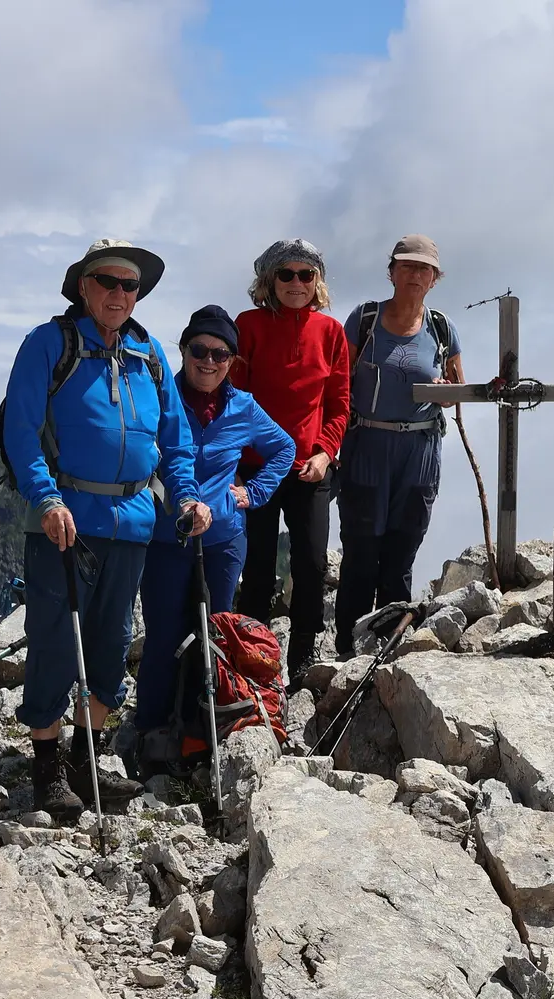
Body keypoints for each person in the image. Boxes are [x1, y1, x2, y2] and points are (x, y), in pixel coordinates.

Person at [1, 238, 211, 817]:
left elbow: (175, 437)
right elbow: (20, 429)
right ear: (84, 287)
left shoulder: (148, 353)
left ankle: (85, 763)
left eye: (131, 286)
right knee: (52, 641)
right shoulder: (50, 344)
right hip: (65, 523)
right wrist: (45, 500)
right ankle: (46, 770)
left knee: (113, 644)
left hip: (133, 522)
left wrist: (187, 497)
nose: (121, 294)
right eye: (109, 283)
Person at [133, 305, 294, 764]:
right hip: (166, 538)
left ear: (232, 361)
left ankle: (201, 726)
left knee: (215, 633)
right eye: (199, 350)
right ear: (183, 351)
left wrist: (251, 494)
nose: (209, 361)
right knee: (164, 636)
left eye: (221, 354)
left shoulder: (243, 407)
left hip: (222, 541)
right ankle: (152, 730)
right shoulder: (163, 399)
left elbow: (284, 448)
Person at [334, 234, 463, 659]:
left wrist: (447, 392)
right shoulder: (365, 320)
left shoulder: (442, 329)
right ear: (391, 272)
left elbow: (459, 389)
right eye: (406, 266)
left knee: (401, 553)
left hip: (420, 451)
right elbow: (339, 383)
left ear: (434, 279)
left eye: (423, 268)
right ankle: (347, 655)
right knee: (360, 553)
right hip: (366, 443)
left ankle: (389, 654)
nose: (414, 274)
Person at [232, 239, 350, 681]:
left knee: (312, 566)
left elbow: (339, 404)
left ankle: (301, 660)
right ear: (269, 280)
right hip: (257, 469)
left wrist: (325, 452)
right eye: (287, 274)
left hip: (309, 469)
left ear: (317, 281)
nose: (297, 283)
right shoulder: (248, 326)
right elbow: (235, 398)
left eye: (307, 274)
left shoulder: (331, 332)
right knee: (257, 566)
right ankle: (254, 662)